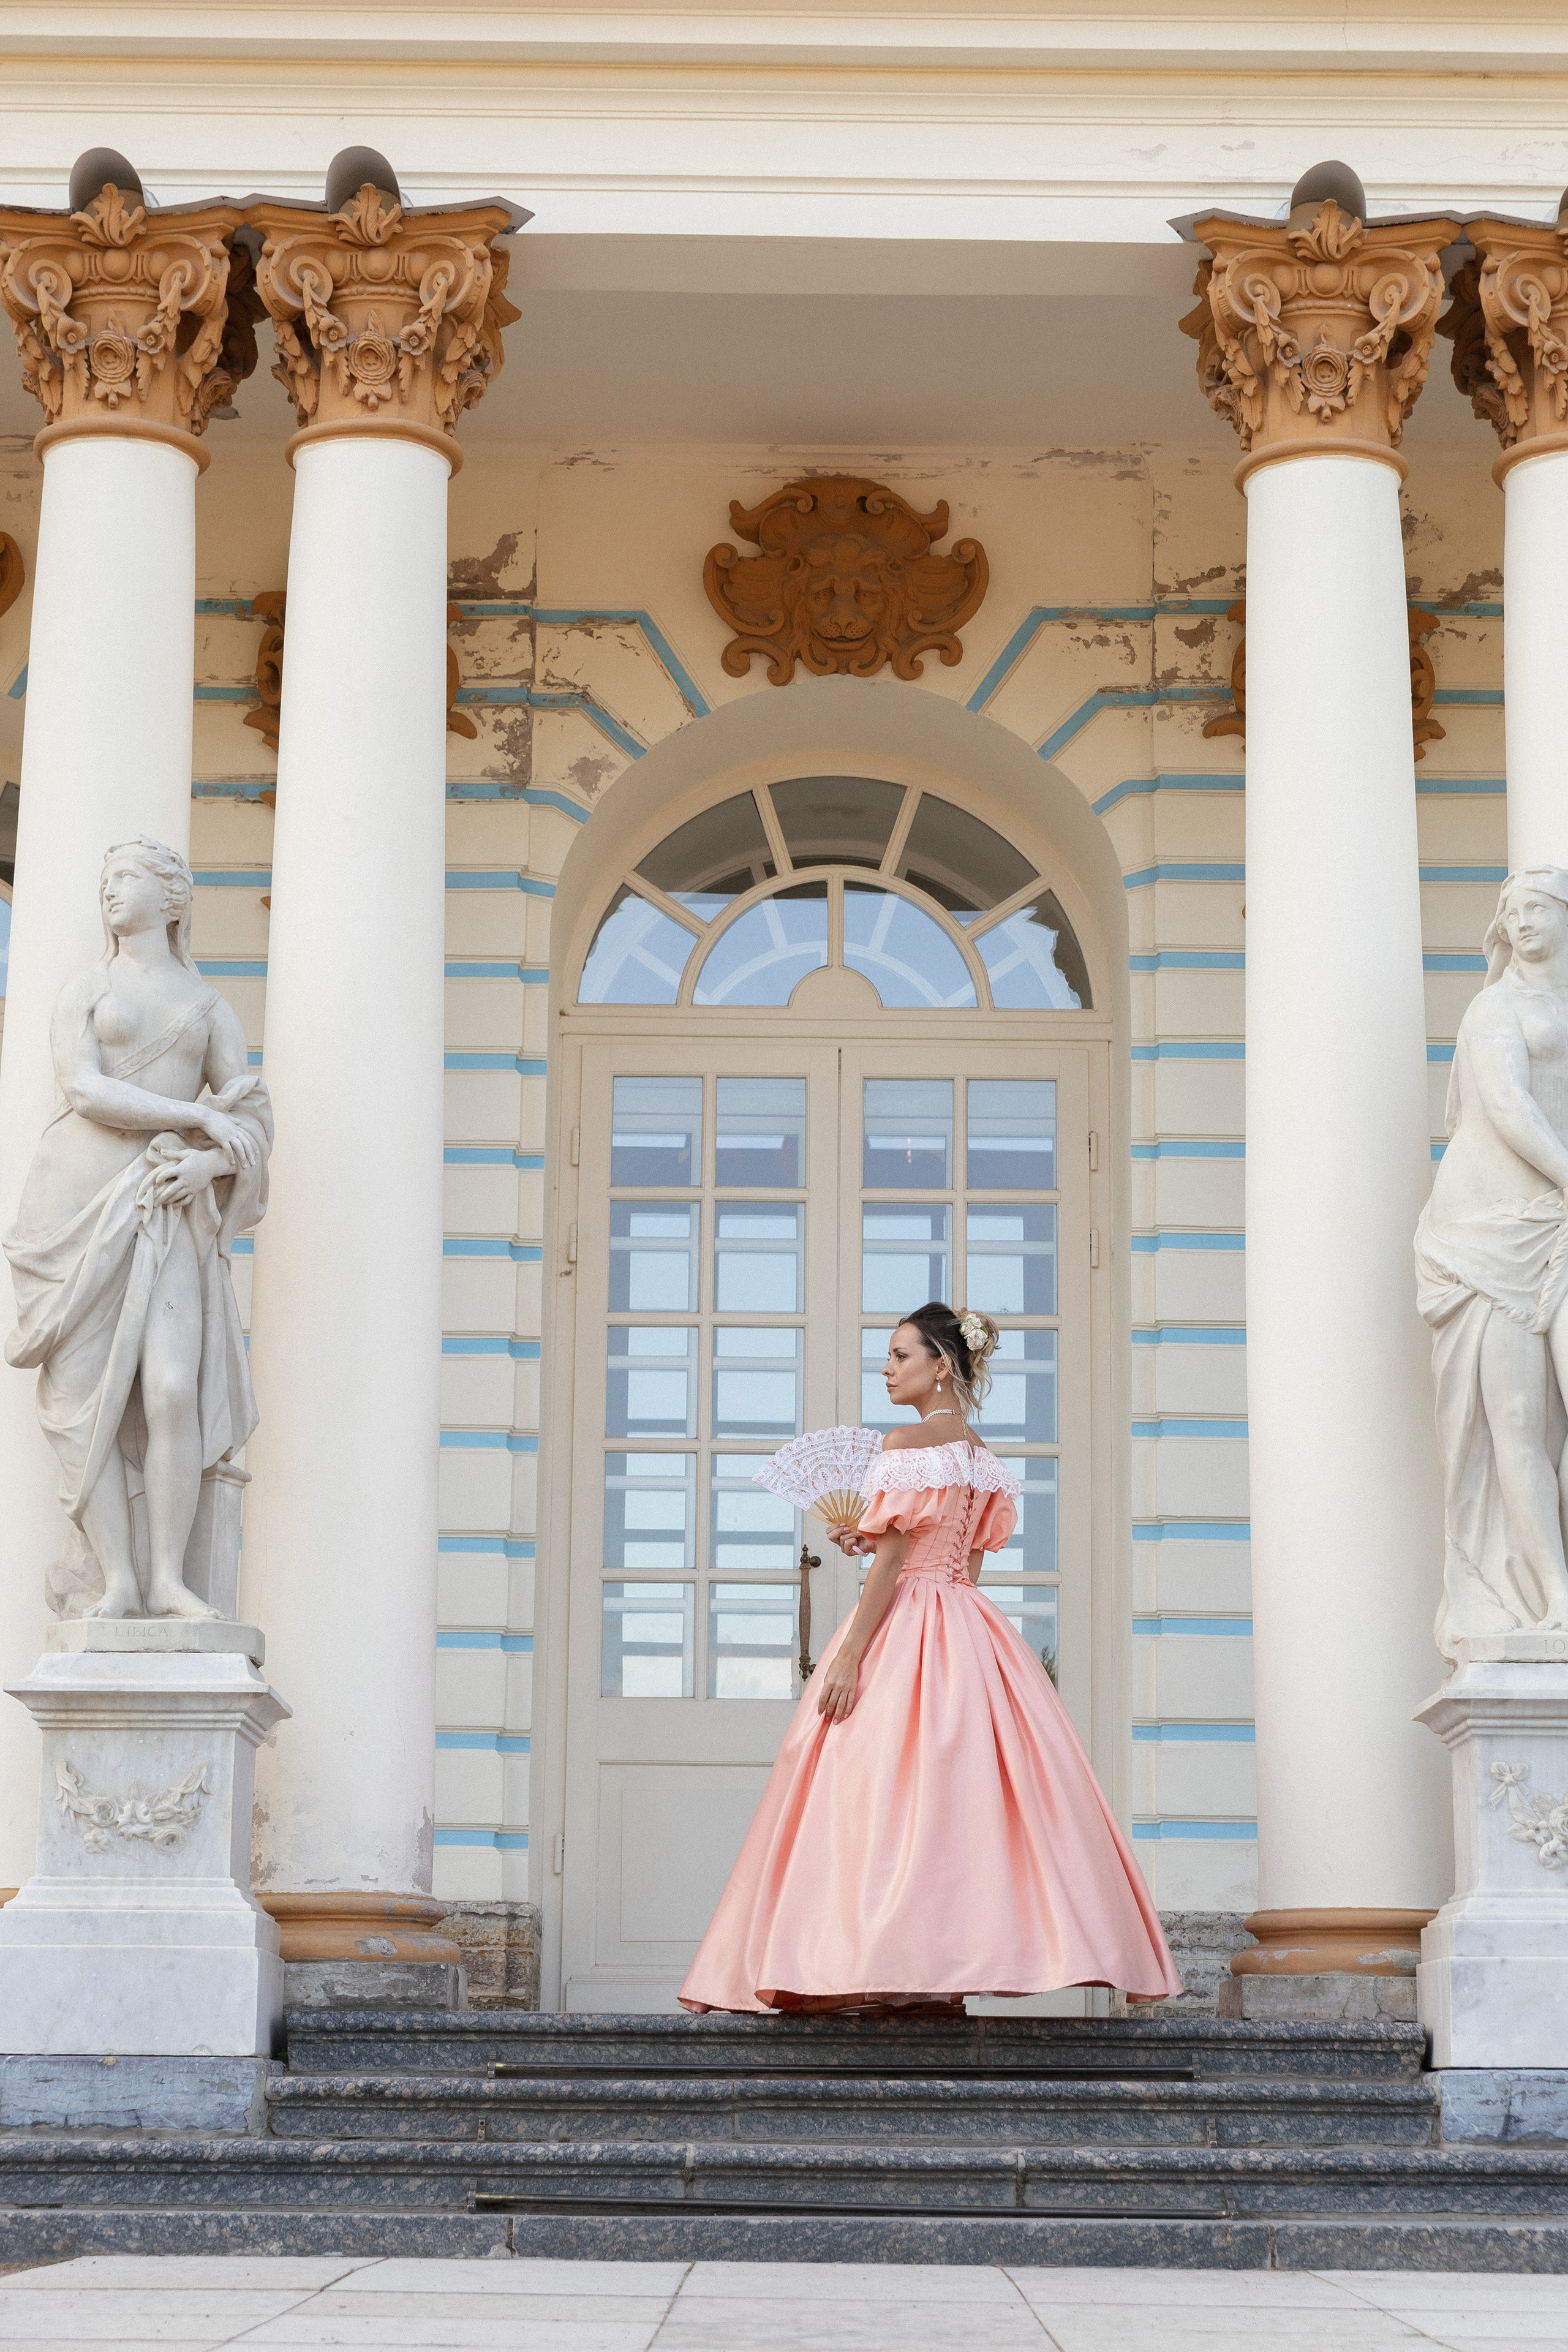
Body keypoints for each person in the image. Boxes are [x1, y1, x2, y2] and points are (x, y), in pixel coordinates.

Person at [679, 1300, 1182, 2013]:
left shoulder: (906, 1443)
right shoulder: (984, 1460)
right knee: (956, 1803)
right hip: (966, 1628)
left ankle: (875, 1966)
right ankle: (938, 1982)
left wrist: (852, 1653)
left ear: (940, 1365)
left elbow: (891, 1565)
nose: (886, 1369)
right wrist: (887, 1543)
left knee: (872, 1793)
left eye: (900, 1356)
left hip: (904, 1621)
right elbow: (965, 1569)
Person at [4, 837, 271, 1621]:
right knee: (89, 1405)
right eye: (107, 880)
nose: (111, 892)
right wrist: (194, 1118)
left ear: (173, 898)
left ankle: (168, 1580)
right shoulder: (84, 989)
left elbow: (251, 1117)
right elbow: (83, 1088)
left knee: (170, 1390)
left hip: (166, 1205)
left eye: (127, 878)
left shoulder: (209, 1007)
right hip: (74, 1206)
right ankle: (118, 1580)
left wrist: (207, 1168)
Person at [1415, 865, 1568, 1652]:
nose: (1521, 921)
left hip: (1552, 1222)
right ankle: (1554, 1596)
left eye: (1536, 907)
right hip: (1485, 1232)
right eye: (1510, 912)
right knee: (1515, 1421)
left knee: (1550, 1425)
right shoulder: (1493, 1006)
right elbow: (1508, 1105)